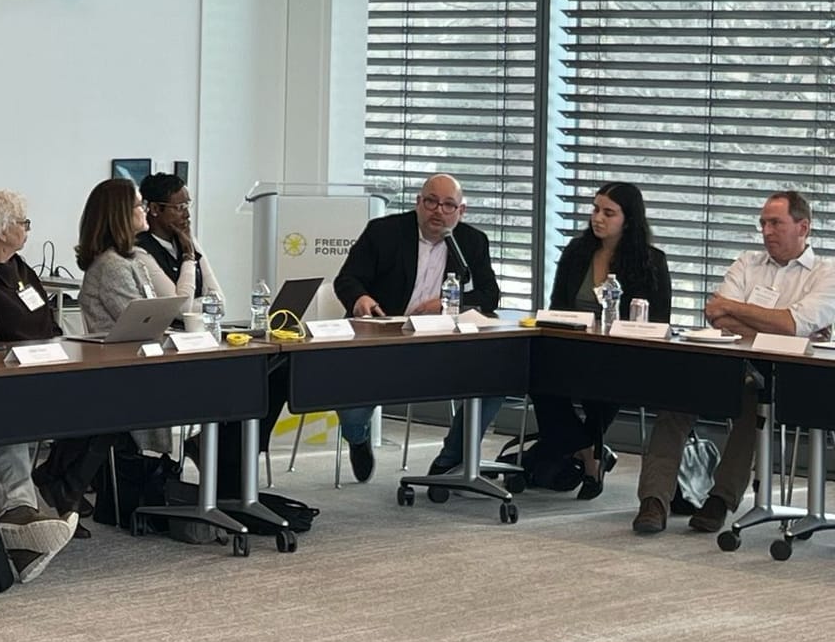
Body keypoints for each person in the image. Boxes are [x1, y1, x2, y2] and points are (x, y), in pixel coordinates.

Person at [632, 190, 835, 536]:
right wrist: (776, 324)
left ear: (803, 227)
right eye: (763, 224)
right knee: (676, 400)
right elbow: (716, 316)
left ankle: (721, 500)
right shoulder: (747, 263)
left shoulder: (825, 273)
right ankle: (654, 500)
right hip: (729, 364)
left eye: (776, 223)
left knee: (753, 407)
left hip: (787, 377)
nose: (767, 232)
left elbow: (793, 323)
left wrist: (739, 311)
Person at [0, 189, 102, 578]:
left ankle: (22, 523)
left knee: (98, 406)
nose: (28, 229)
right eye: (22, 223)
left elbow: (49, 323)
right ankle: (20, 519)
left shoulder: (20, 268)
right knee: (6, 415)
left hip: (31, 378)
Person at [332, 174, 500, 487]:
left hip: (440, 341)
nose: (438, 211)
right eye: (431, 201)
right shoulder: (384, 232)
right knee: (353, 414)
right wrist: (360, 298)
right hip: (381, 337)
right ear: (418, 203)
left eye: (448, 205)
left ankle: (451, 460)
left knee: (497, 374)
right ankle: (358, 438)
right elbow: (347, 280)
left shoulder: (471, 242)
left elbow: (490, 295)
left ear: (461, 212)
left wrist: (450, 302)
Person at [528, 184, 673, 500]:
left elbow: (659, 321)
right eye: (595, 209)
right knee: (536, 376)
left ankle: (580, 450)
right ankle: (590, 452)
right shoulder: (577, 252)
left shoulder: (650, 261)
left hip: (623, 354)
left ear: (628, 219)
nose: (598, 218)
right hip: (573, 347)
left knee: (603, 380)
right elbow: (557, 307)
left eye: (608, 212)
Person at [75, 178, 175, 335]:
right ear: (121, 214)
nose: (146, 210)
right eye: (140, 205)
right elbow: (141, 322)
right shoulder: (112, 265)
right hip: (120, 355)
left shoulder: (127, 259)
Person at [136, 173, 227, 306]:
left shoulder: (186, 239)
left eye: (187, 205)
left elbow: (219, 302)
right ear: (155, 209)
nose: (187, 214)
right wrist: (188, 258)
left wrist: (195, 306)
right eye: (179, 208)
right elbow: (179, 307)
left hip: (200, 326)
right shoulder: (140, 250)